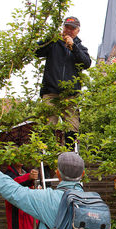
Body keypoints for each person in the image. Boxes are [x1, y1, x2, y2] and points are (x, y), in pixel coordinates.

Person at [0, 152, 113, 229]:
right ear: (83, 174)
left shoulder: (46, 199)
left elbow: (15, 192)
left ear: (58, 174)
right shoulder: (97, 205)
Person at [35, 16, 91, 147]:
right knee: (48, 126)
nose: (69, 30)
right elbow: (37, 51)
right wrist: (50, 37)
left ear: (78, 31)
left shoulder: (80, 48)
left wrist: (73, 47)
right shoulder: (53, 43)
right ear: (63, 28)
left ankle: (70, 157)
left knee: (72, 127)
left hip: (70, 95)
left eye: (73, 28)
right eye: (67, 27)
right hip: (51, 92)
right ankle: (47, 160)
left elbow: (86, 63)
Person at [3, 163, 38, 229]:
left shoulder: (26, 172)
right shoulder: (8, 175)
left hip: (30, 218)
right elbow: (13, 186)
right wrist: (28, 177)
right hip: (16, 220)